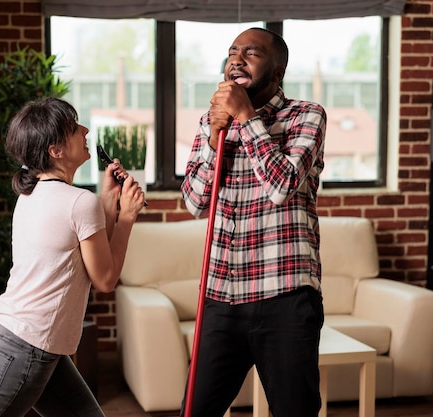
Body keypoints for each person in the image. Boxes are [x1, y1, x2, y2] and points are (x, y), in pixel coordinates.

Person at [0, 97, 145, 417]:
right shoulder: (77, 202)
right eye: (74, 128)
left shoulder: (32, 195)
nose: (85, 130)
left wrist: (108, 200)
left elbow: (80, 249)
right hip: (25, 351)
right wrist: (125, 217)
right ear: (55, 150)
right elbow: (105, 279)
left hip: (24, 343)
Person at [180, 27, 327, 417]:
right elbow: (194, 202)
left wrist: (245, 116)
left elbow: (281, 186)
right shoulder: (211, 123)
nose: (237, 58)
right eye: (232, 52)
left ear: (277, 71)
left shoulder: (306, 116)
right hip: (220, 296)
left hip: (285, 295)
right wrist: (214, 138)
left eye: (252, 52)